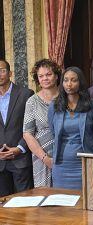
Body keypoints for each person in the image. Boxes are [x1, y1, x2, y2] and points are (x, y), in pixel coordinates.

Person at [48, 67, 93, 190]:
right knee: (62, 203)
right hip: (61, 165)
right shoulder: (54, 106)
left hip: (84, 164)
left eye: (74, 80)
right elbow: (53, 132)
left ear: (80, 83)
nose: (69, 84)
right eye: (66, 80)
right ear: (61, 83)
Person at [23, 59, 61, 187]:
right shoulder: (32, 102)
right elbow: (27, 134)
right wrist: (45, 158)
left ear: (56, 76)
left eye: (48, 74)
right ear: (37, 79)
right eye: (41, 76)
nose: (45, 78)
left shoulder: (66, 98)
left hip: (65, 154)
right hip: (41, 157)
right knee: (45, 197)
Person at [0, 59, 34, 197]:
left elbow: (33, 127)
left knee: (25, 204)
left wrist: (19, 149)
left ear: (10, 73)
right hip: (0, 160)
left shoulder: (26, 94)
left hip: (21, 159)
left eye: (2, 70)